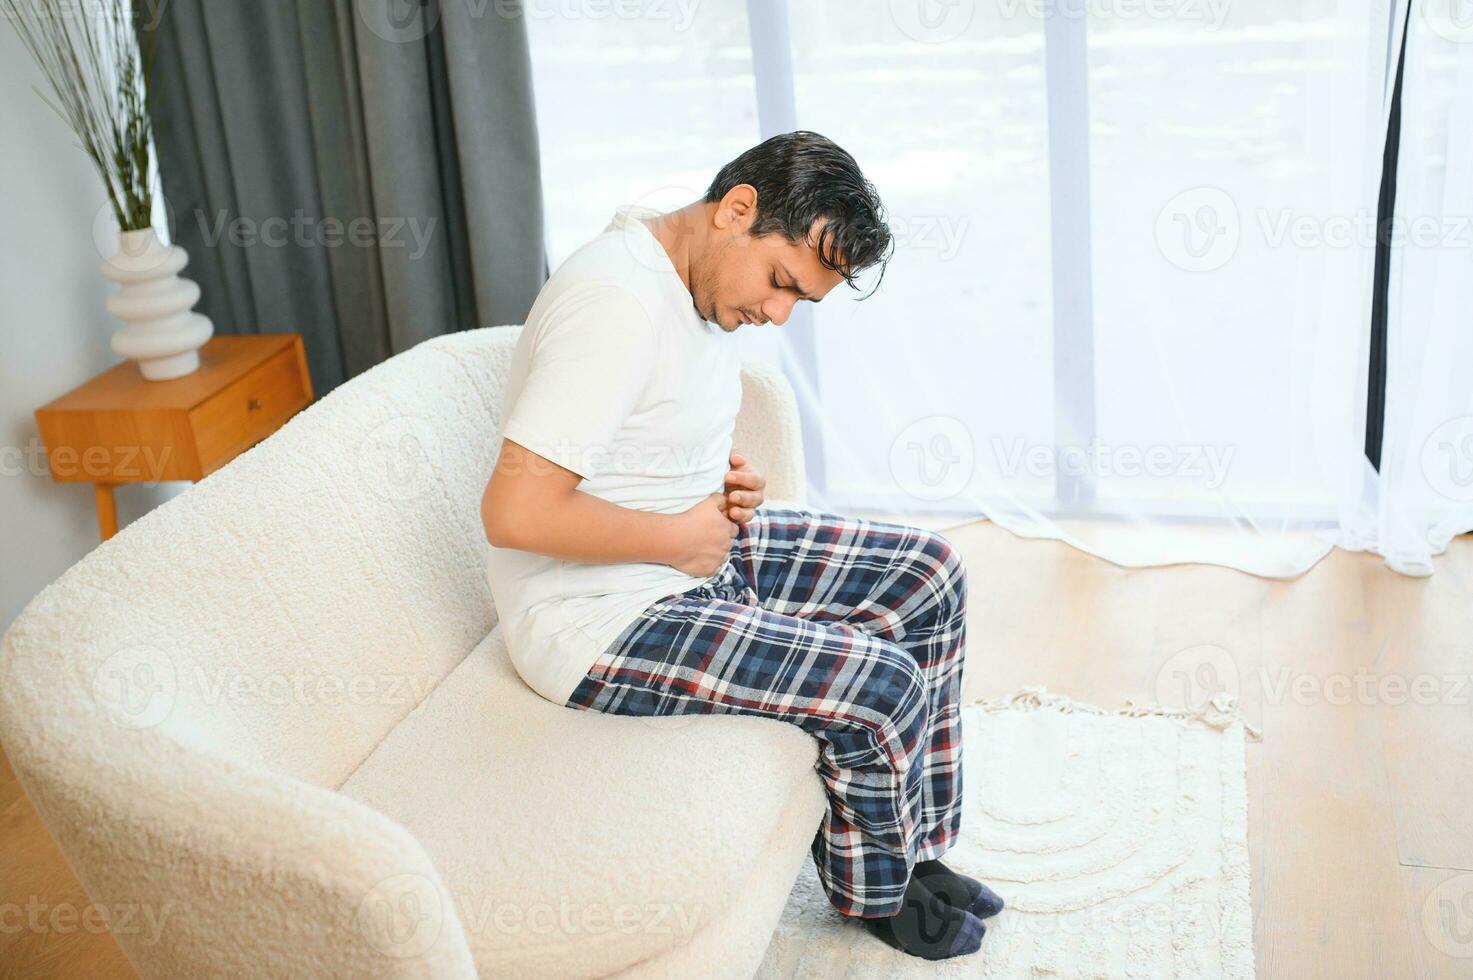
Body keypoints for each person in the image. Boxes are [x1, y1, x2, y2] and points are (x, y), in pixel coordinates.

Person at [480, 130, 1002, 960]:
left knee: (925, 573)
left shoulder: (684, 266)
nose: (777, 313)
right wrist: (677, 536)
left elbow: (637, 431)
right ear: (736, 209)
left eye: (802, 299)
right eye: (781, 283)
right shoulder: (613, 303)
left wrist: (717, 485)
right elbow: (512, 511)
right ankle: (874, 895)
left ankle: (914, 848)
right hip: (594, 618)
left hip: (686, 556)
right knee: (879, 685)